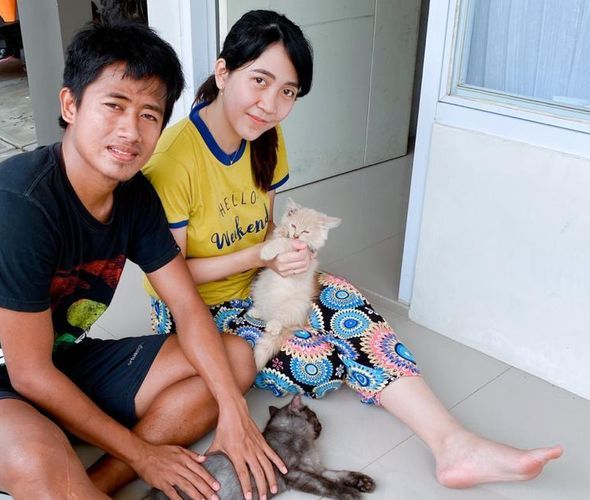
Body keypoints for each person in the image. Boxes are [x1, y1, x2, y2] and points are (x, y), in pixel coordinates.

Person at [142, 9, 563, 489]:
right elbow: (168, 276)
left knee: (344, 301)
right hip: (197, 310)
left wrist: (287, 251)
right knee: (322, 359)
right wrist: (259, 257)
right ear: (223, 72)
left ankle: (454, 444)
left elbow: (263, 228)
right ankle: (424, 424)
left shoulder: (264, 137)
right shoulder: (174, 162)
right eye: (259, 80)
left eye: (288, 92)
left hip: (258, 283)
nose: (270, 104)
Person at [0, 21, 287, 500]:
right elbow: (29, 374)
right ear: (71, 105)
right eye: (114, 105)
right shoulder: (15, 207)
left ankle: (94, 485)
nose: (130, 130)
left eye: (149, 115)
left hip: (61, 358)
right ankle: (74, 471)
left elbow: (188, 308)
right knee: (34, 457)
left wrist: (234, 412)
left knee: (233, 361)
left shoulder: (135, 196)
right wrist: (143, 454)